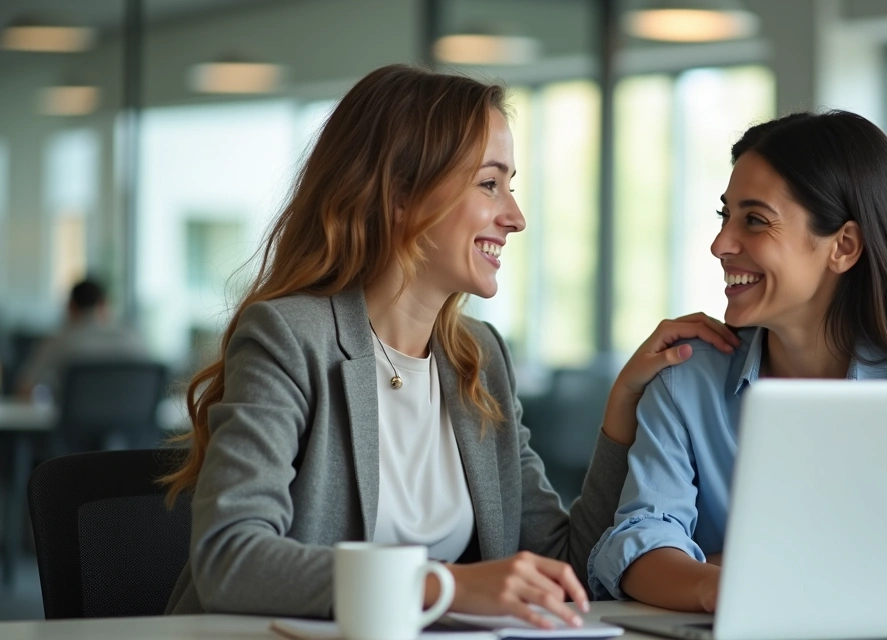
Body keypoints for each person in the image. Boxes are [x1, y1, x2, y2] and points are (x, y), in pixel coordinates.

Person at [158, 65, 740, 624]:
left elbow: (565, 568)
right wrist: (446, 586)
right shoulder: (290, 338)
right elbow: (230, 557)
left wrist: (622, 408)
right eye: (489, 184)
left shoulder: (479, 360)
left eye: (510, 186)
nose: (515, 217)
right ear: (399, 194)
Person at [586, 110, 887, 612]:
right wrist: (726, 587)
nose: (720, 244)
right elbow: (637, 546)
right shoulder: (687, 377)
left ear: (843, 246)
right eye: (725, 215)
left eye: (754, 220)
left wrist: (723, 566)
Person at [16, 278, 148, 400]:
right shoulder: (133, 339)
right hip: (130, 418)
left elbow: (25, 388)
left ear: (71, 306)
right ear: (103, 304)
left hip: (75, 418)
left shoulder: (58, 342)